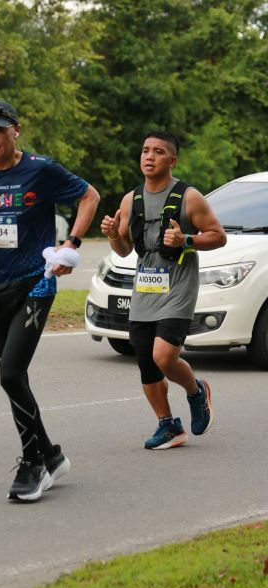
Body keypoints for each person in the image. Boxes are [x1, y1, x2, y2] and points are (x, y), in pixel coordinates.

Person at [0, 100, 100, 500]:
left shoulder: (40, 168)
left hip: (37, 282)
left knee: (10, 374)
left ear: (15, 131)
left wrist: (70, 244)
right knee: (14, 377)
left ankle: (34, 463)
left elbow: (90, 196)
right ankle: (50, 454)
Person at [100, 131, 226, 450]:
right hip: (145, 290)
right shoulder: (131, 199)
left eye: (158, 151)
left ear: (172, 160)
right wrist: (114, 234)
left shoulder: (189, 197)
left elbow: (218, 235)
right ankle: (168, 425)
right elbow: (124, 250)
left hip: (178, 289)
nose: (149, 156)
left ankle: (196, 391)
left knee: (164, 357)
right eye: (145, 150)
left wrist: (187, 240)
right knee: (146, 362)